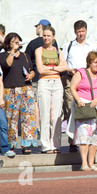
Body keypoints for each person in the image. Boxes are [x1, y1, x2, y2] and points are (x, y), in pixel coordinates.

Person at [67, 51, 97, 171]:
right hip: (84, 106)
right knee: (84, 136)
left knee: (95, 137)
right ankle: (84, 163)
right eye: (95, 62)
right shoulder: (81, 73)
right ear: (89, 62)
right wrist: (78, 100)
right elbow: (73, 88)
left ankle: (91, 163)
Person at [0, 32, 38, 154]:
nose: (16, 43)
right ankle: (11, 143)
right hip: (11, 90)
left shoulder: (25, 55)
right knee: (11, 118)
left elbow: (32, 70)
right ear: (8, 43)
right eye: (13, 41)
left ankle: (27, 144)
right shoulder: (3, 55)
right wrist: (12, 51)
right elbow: (7, 64)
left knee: (28, 117)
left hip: (26, 89)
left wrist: (31, 74)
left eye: (18, 40)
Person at [61, 20, 97, 152]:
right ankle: (72, 141)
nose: (81, 34)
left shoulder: (91, 46)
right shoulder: (68, 46)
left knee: (89, 109)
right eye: (78, 31)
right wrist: (70, 70)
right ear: (75, 32)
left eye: (83, 31)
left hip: (88, 81)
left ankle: (88, 140)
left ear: (86, 31)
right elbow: (63, 63)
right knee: (72, 109)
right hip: (72, 80)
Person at [35, 26, 69, 154]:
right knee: (44, 113)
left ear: (53, 37)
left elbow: (64, 66)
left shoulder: (58, 50)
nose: (46, 38)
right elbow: (40, 69)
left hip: (56, 82)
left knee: (56, 115)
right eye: (44, 35)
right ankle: (45, 144)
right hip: (44, 82)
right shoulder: (39, 50)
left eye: (48, 35)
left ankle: (56, 144)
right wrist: (56, 67)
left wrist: (52, 68)